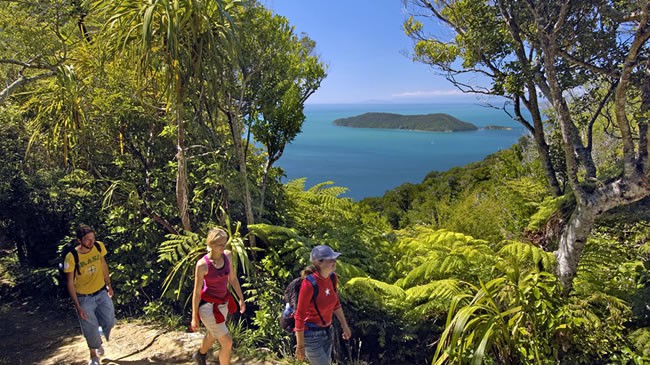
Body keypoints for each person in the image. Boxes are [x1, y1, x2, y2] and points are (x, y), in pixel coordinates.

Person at [190, 228, 246, 365]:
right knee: (227, 342)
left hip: (223, 304)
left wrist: (241, 298)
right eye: (220, 244)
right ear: (211, 244)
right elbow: (197, 292)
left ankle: (200, 354)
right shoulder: (202, 265)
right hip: (207, 307)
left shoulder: (228, 256)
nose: (223, 246)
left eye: (224, 243)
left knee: (214, 333)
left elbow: (232, 278)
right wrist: (194, 317)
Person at [63, 224, 116, 365]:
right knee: (89, 328)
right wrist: (77, 306)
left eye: (93, 238)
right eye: (87, 240)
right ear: (79, 240)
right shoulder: (71, 257)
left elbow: (103, 265)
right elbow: (69, 283)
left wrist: (108, 285)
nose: (91, 242)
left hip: (101, 292)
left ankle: (98, 334)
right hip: (83, 297)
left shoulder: (99, 247)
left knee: (110, 321)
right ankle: (93, 353)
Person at [294, 245, 352, 365]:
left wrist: (344, 326)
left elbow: (336, 304)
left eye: (334, 259)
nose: (334, 262)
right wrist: (300, 346)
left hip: (327, 332)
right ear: (319, 263)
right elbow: (299, 316)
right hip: (311, 336)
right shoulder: (309, 284)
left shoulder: (332, 278)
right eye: (330, 259)